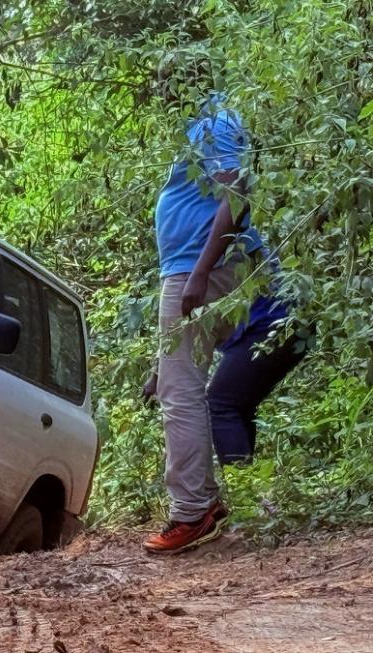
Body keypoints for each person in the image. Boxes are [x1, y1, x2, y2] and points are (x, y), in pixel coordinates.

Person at [142, 63, 267, 554]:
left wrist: (199, 271)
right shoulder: (203, 125)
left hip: (199, 268)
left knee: (180, 395)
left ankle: (193, 511)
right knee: (177, 382)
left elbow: (237, 191)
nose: (160, 95)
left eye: (165, 85)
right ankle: (202, 504)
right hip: (198, 267)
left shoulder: (214, 122)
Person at [144, 290, 307, 465]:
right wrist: (156, 373)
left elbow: (179, 321)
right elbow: (179, 326)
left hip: (270, 323)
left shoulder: (198, 281)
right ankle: (246, 476)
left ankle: (240, 476)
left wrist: (157, 373)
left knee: (221, 404)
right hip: (289, 322)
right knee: (238, 405)